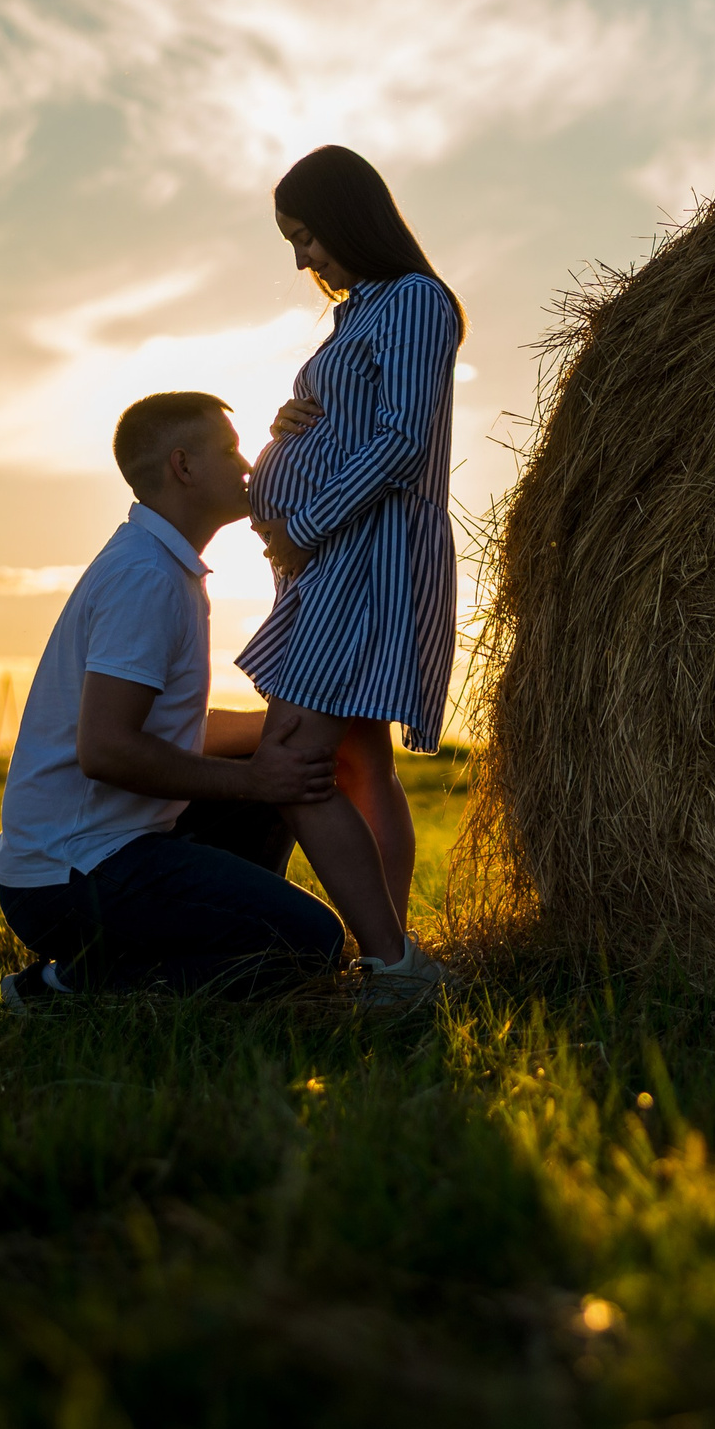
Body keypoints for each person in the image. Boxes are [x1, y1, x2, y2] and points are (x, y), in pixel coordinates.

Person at [0, 391, 358, 1010]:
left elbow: (168, 729)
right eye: (231, 450)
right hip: (69, 877)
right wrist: (260, 780)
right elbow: (106, 749)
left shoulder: (160, 564)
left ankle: (214, 937)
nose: (249, 466)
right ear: (183, 466)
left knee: (264, 787)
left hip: (93, 856)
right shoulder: (147, 578)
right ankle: (65, 989)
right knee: (310, 943)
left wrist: (286, 731)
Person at [239, 145, 460, 998]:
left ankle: (389, 961)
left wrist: (303, 524)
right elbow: (357, 426)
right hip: (325, 558)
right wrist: (290, 424)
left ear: (347, 218)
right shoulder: (362, 314)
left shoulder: (413, 301)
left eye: (306, 236)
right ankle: (387, 951)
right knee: (357, 764)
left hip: (361, 557)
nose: (302, 260)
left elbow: (402, 444)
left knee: (290, 755)